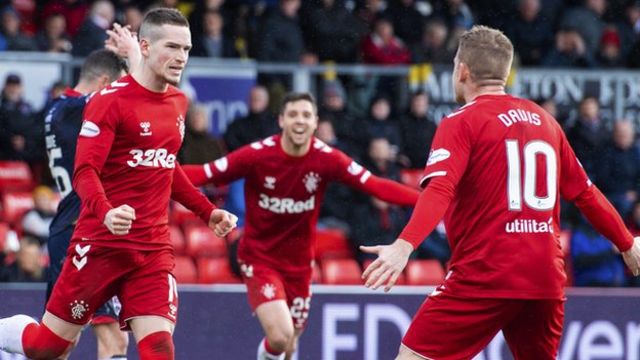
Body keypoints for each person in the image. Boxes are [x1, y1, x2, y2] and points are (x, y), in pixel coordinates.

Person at [360, 25, 640, 360]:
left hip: (485, 273)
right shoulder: (545, 120)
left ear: (462, 70)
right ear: (506, 73)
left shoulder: (461, 122)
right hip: (544, 278)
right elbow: (585, 193)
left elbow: (440, 189)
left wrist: (404, 245)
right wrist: (626, 242)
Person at [0, 8, 237, 360]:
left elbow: (165, 164)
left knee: (159, 348)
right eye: (172, 47)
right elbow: (84, 172)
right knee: (45, 347)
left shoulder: (178, 102)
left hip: (152, 250)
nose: (181, 57)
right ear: (145, 46)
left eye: (186, 49)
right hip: (99, 246)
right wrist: (107, 213)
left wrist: (207, 211)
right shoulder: (108, 101)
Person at [183, 92, 419, 360]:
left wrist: (427, 201)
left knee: (290, 344)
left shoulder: (327, 158)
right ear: (282, 120)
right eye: (293, 114)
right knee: (280, 336)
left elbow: (375, 185)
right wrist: (155, 173)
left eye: (306, 115)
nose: (299, 121)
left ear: (315, 122)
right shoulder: (258, 155)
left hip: (299, 265)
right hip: (259, 257)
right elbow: (203, 174)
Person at [43, 45, 133, 359]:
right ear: (105, 83)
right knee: (113, 339)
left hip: (69, 227)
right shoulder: (75, 108)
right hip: (83, 231)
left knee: (59, 344)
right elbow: (135, 92)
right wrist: (137, 54)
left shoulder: (60, 108)